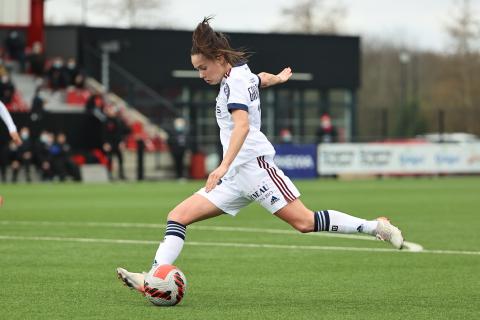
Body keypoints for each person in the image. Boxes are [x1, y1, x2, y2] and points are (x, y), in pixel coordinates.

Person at [116, 17, 404, 293]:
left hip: (254, 168)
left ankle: (376, 227)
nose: (201, 75)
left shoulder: (235, 83)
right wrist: (276, 79)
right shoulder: (239, 73)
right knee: (177, 217)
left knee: (304, 222)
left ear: (219, 59)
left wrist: (222, 165)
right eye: (197, 69)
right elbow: (259, 79)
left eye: (203, 68)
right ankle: (153, 277)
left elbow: (241, 125)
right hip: (235, 176)